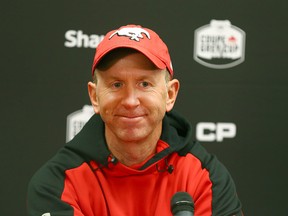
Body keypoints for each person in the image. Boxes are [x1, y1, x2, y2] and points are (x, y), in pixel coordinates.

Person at [27, 24, 243, 216]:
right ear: (94, 97)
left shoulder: (206, 178)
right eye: (116, 85)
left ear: (170, 95)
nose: (130, 101)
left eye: (145, 84)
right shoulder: (58, 182)